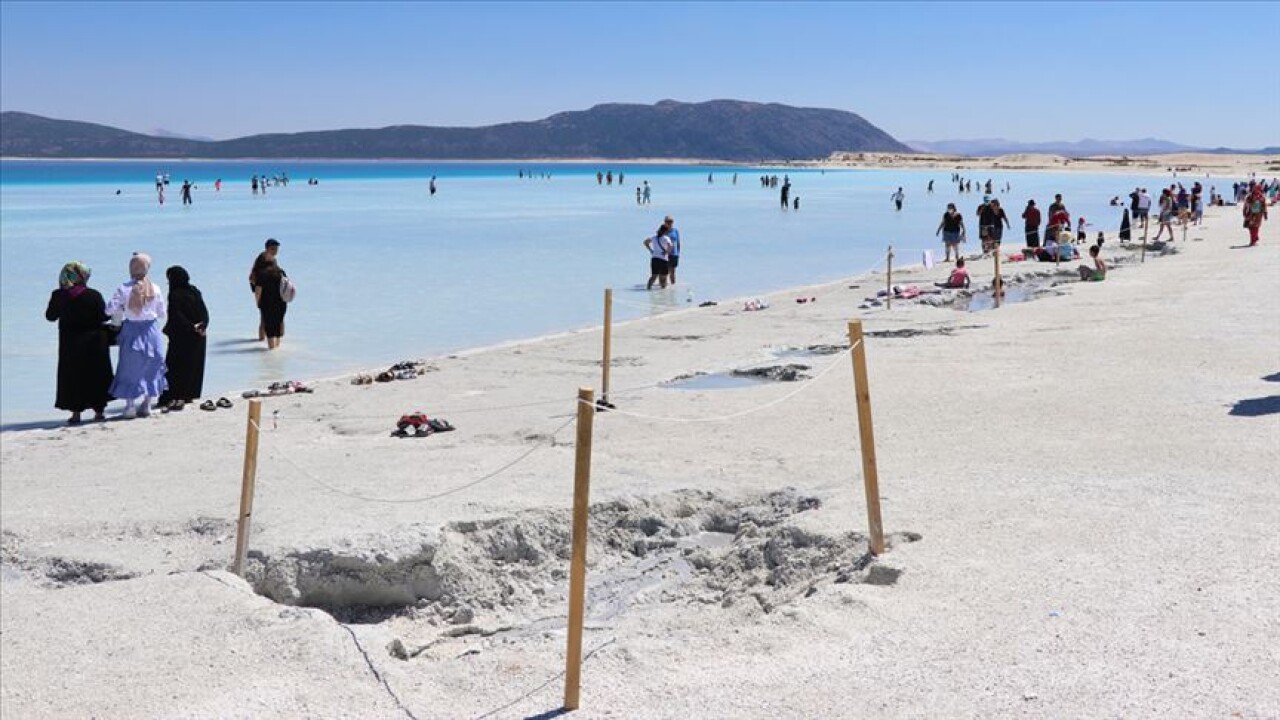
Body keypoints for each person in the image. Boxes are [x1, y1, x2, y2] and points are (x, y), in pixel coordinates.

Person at [45, 262, 113, 424]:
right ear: (82, 276)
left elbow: (50, 316)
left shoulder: (59, 295)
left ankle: (76, 414)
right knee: (96, 375)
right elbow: (103, 317)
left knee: (73, 377)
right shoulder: (93, 295)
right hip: (95, 342)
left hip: (70, 343)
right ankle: (99, 412)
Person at [106, 253, 167, 419]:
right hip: (152, 330)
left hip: (131, 329)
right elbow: (162, 312)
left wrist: (121, 312)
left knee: (129, 367)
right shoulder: (155, 288)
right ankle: (147, 403)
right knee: (153, 365)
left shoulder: (123, 288)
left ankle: (130, 405)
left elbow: (109, 309)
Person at [158, 266, 209, 411]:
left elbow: (176, 315)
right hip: (199, 335)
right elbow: (204, 311)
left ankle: (171, 397)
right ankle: (189, 395)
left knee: (174, 366)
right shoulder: (195, 291)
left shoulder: (175, 294)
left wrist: (191, 327)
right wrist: (203, 325)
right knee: (194, 366)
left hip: (182, 336)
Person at [249, 239, 280, 340]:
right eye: (274, 249)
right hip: (262, 290)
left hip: (270, 290)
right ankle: (261, 340)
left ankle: (265, 339)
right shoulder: (263, 258)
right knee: (264, 318)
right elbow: (253, 276)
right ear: (268, 248)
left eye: (277, 249)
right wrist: (257, 297)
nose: (276, 251)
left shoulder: (272, 259)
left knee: (267, 317)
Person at [255, 258, 288, 350]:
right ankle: (277, 347)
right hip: (281, 302)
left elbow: (258, 290)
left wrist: (258, 302)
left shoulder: (262, 274)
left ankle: (272, 349)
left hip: (267, 303)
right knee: (278, 323)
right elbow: (286, 286)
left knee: (269, 326)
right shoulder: (281, 272)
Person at [643, 226, 673, 290]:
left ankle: (648, 289)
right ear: (666, 232)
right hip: (663, 259)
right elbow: (670, 246)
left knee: (653, 276)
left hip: (654, 259)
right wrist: (666, 252)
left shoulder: (654, 237)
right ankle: (663, 292)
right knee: (663, 277)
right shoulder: (666, 238)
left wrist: (651, 250)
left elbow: (645, 242)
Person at [663, 216, 681, 284]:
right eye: (668, 221)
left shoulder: (675, 230)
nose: (669, 223)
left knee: (673, 272)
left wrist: (678, 253)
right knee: (664, 272)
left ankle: (673, 288)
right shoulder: (662, 231)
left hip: (674, 254)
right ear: (664, 222)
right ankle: (662, 288)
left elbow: (678, 242)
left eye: (671, 221)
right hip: (665, 254)